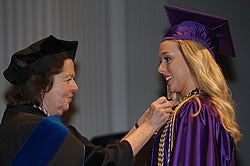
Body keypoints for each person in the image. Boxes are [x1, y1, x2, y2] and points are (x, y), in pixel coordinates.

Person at [0, 35, 173, 166]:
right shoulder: (36, 128)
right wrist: (149, 127)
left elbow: (99, 157)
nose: (75, 87)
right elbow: (102, 164)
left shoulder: (25, 120)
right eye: (68, 79)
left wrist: (138, 127)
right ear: (43, 84)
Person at [147, 5, 242, 166]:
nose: (160, 68)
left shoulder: (195, 111)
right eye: (160, 61)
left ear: (192, 59)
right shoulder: (197, 109)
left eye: (167, 58)